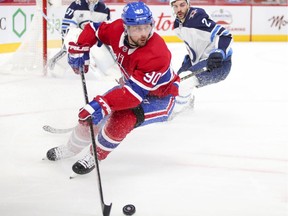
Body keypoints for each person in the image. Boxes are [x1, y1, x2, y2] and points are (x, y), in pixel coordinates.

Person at [46, 2, 180, 175]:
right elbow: (94, 29)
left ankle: (95, 156)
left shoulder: (157, 53)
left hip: (160, 98)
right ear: (126, 28)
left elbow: (133, 97)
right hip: (132, 86)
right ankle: (70, 148)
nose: (143, 34)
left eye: (146, 27)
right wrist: (82, 46)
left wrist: (102, 104)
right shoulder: (116, 30)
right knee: (93, 117)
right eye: (137, 29)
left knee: (122, 117)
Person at [169, 0, 233, 113]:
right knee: (175, 82)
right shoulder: (177, 25)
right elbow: (196, 41)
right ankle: (185, 103)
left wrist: (219, 52)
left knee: (185, 82)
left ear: (188, 4)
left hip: (218, 64)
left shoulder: (196, 17)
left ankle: (177, 113)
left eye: (182, 5)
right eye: (175, 6)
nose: (179, 9)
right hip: (200, 60)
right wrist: (191, 59)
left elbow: (225, 35)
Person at [48, 0, 112, 74]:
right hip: (78, 38)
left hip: (94, 39)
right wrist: (66, 39)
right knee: (73, 38)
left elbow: (107, 29)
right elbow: (67, 25)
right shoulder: (76, 5)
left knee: (102, 52)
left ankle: (103, 70)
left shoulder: (104, 9)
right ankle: (63, 67)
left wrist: (101, 40)